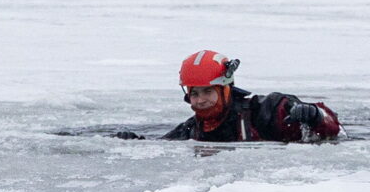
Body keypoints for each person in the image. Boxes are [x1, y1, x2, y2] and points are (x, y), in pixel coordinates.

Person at [118, 50, 341, 143]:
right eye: (194, 93)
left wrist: (314, 115)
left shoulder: (268, 110)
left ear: (225, 89)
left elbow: (333, 129)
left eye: (208, 91)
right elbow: (161, 147)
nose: (200, 100)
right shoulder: (191, 130)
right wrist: (133, 143)